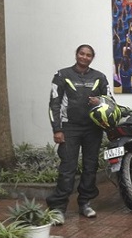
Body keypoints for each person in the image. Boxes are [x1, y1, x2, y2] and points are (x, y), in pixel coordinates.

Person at [47, 44, 111, 224]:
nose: (84, 57)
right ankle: (58, 209)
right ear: (76, 55)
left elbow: (109, 101)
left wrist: (100, 101)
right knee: (68, 168)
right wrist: (57, 129)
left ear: (92, 58)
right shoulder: (62, 75)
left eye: (88, 55)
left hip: (93, 129)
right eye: (82, 54)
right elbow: (54, 103)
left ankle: (85, 203)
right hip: (69, 129)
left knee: (90, 167)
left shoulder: (99, 77)